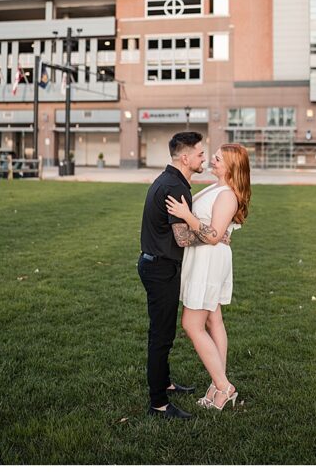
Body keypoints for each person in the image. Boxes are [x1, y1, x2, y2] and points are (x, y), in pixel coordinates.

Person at [165, 143, 252, 411]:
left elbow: (214, 236)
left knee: (192, 324)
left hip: (209, 261)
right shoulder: (216, 188)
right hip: (204, 257)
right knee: (214, 320)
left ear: (231, 167)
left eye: (218, 159)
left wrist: (186, 216)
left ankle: (224, 386)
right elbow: (216, 232)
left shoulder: (227, 195)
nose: (212, 160)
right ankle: (217, 386)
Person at [137, 131, 206, 420]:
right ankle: (159, 404)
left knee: (163, 331)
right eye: (200, 154)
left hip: (157, 265)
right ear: (185, 158)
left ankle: (164, 383)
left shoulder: (169, 180)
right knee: (161, 335)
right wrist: (212, 235)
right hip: (160, 269)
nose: (204, 158)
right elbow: (183, 238)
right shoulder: (175, 187)